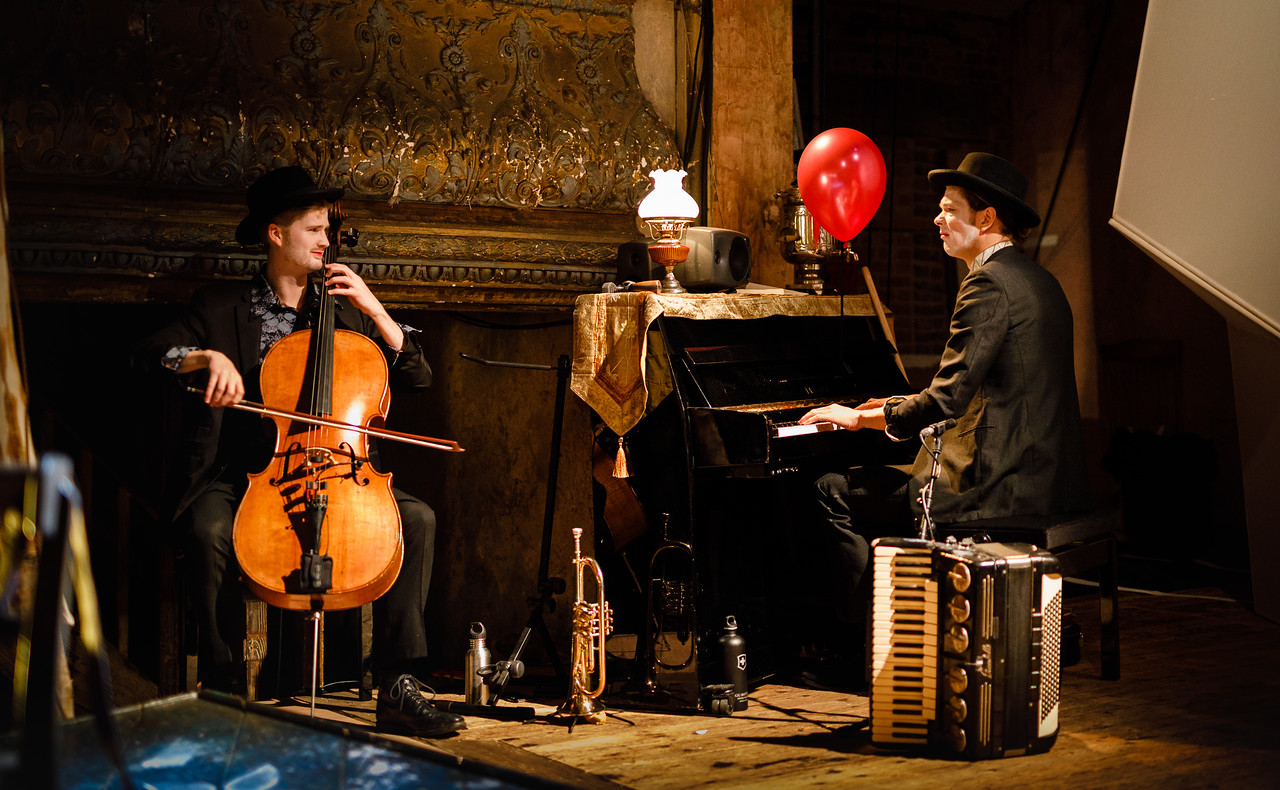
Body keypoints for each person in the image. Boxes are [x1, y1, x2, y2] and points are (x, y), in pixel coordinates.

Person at [133, 166, 465, 737]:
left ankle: (397, 685)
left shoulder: (348, 310)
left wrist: (379, 312)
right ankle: (222, 688)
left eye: (327, 230)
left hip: (341, 466)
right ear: (274, 234)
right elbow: (152, 351)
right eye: (313, 229)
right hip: (244, 473)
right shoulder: (218, 308)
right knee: (208, 529)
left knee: (417, 518)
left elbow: (418, 376)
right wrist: (204, 359)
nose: (325, 241)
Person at [797, 152, 1090, 677]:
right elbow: (980, 390)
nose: (937, 219)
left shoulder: (987, 284)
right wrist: (887, 407)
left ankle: (861, 655)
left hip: (997, 481)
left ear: (986, 218)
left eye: (949, 209)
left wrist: (858, 417)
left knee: (828, 490)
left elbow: (946, 401)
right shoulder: (1037, 280)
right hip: (1046, 473)